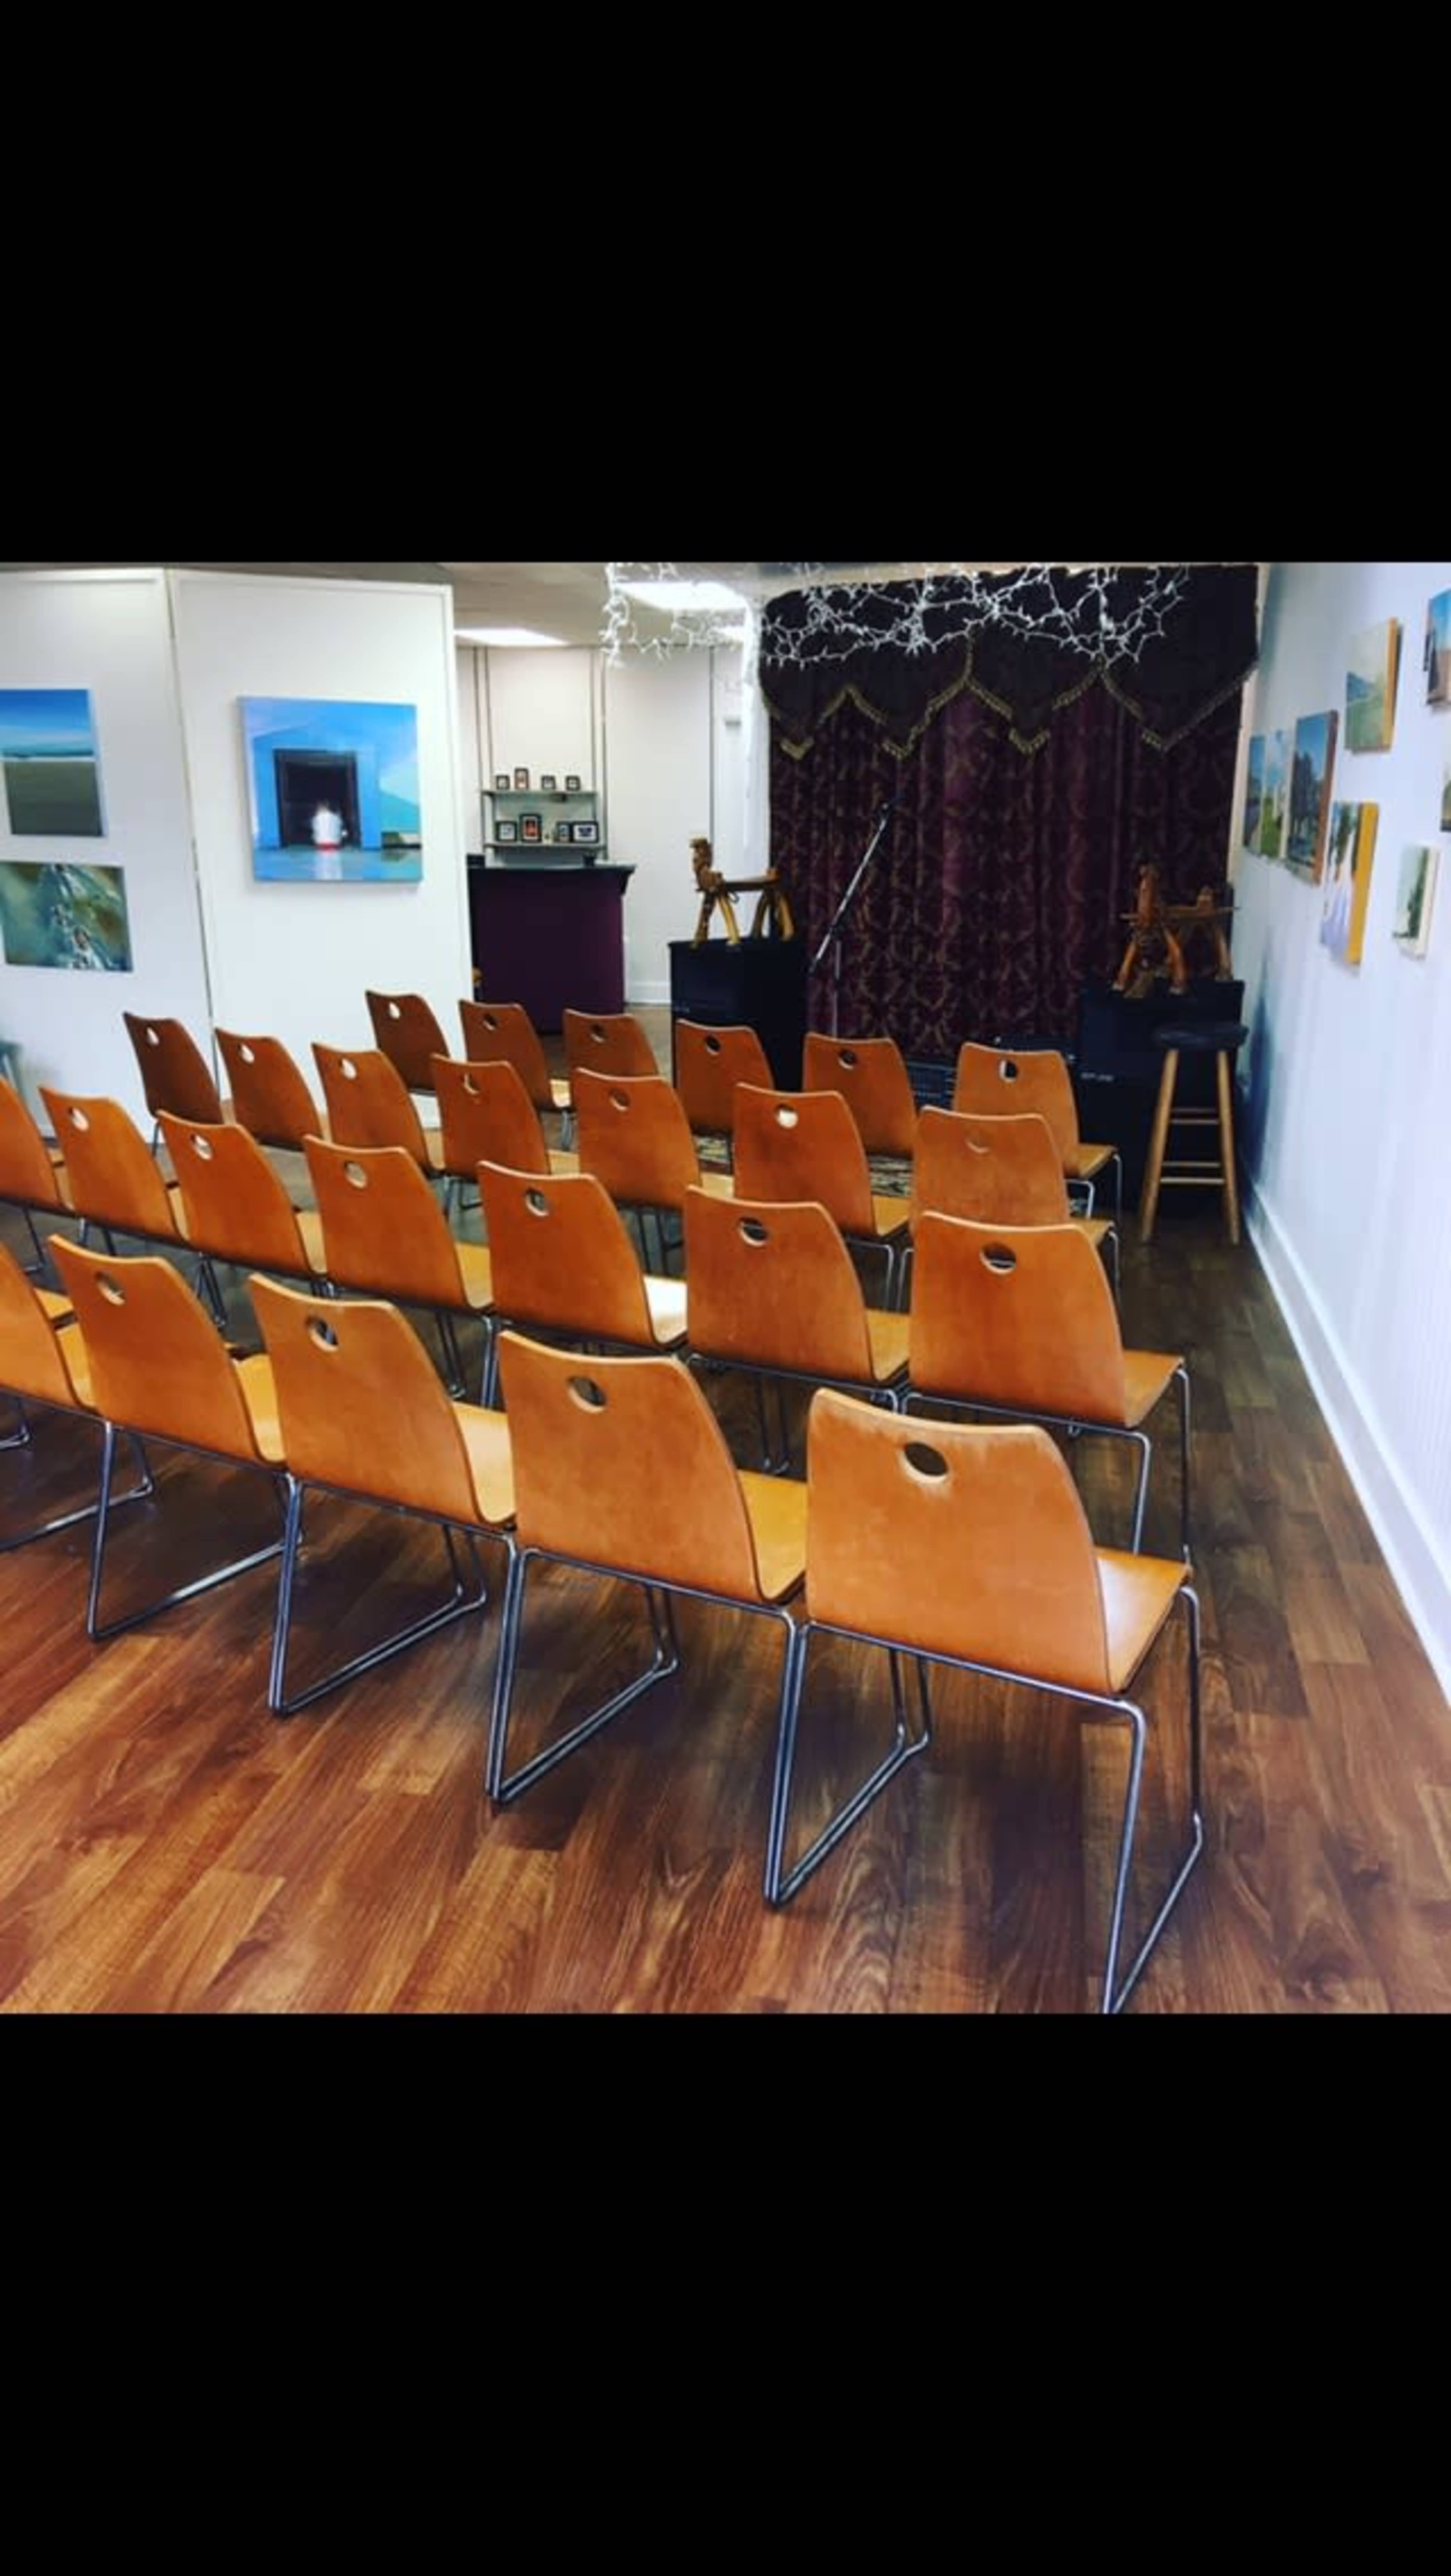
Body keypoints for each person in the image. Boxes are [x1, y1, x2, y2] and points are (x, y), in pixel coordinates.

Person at [311, 800, 345, 879]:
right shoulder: (337, 818)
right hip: (335, 847)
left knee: (321, 872)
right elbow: (340, 832)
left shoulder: (316, 819)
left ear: (320, 808)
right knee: (336, 871)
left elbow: (315, 833)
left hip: (321, 847)